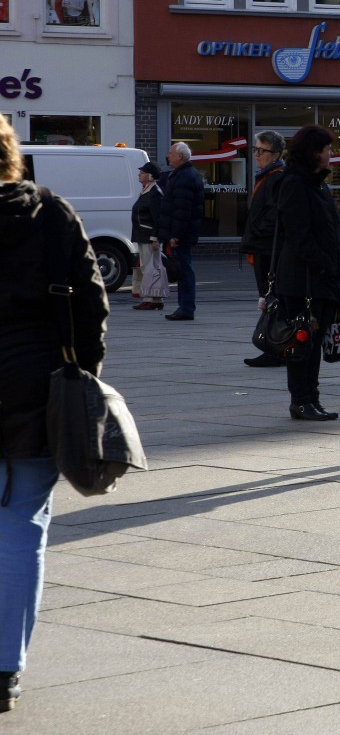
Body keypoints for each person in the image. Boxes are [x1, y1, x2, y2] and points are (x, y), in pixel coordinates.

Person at [0, 115, 109, 713]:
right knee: (22, 529)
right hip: (37, 388)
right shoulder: (51, 214)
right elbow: (92, 306)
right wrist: (83, 377)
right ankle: (4, 669)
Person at [271, 126, 340, 421]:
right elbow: (299, 236)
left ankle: (311, 399)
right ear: (314, 153)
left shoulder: (317, 184)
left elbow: (332, 228)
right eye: (328, 149)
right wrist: (327, 264)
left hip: (321, 278)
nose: (332, 154)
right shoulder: (294, 184)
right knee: (302, 342)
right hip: (303, 280)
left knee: (314, 342)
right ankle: (301, 401)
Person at [240, 131, 288, 366]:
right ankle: (274, 346)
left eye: (262, 151)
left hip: (270, 249)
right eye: (255, 150)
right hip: (263, 247)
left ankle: (276, 349)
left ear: (276, 154)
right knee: (268, 297)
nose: (257, 155)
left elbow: (276, 216)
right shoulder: (266, 176)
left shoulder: (277, 177)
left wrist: (259, 230)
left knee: (272, 298)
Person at [156, 141, 205, 321]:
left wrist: (175, 234)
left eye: (171, 153)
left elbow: (181, 210)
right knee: (183, 269)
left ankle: (186, 308)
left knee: (184, 269)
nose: (168, 156)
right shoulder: (183, 175)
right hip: (182, 232)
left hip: (181, 234)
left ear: (180, 156)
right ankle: (184, 306)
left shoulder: (184, 177)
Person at [130, 161, 165, 312]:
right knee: (146, 267)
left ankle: (154, 299)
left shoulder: (155, 193)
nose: (140, 174)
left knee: (151, 268)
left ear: (150, 176)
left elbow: (158, 217)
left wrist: (155, 237)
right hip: (142, 234)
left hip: (149, 235)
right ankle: (149, 298)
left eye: (143, 173)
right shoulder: (146, 190)